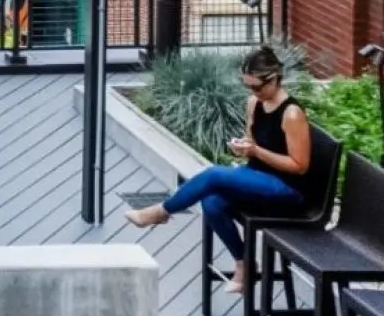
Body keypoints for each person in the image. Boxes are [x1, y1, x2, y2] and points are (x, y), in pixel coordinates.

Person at [124, 44, 311, 292]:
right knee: (211, 202)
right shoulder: (254, 103)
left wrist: (256, 152)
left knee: (214, 174)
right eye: (247, 86)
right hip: (259, 177)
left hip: (288, 190)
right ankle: (244, 264)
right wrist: (244, 148)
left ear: (274, 78)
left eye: (257, 86)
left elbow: (299, 166)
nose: (253, 91)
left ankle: (162, 211)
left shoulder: (292, 113)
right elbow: (253, 143)